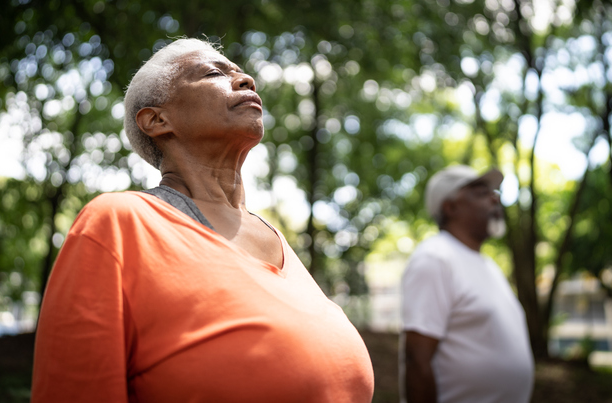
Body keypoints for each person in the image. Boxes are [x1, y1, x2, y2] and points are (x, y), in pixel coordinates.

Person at [31, 38, 374, 402]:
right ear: (156, 119)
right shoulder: (118, 223)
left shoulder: (274, 236)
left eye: (242, 74)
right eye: (214, 72)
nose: (246, 81)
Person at [400, 165, 534, 403]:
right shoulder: (435, 258)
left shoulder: (488, 265)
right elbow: (416, 359)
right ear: (450, 207)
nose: (495, 198)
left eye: (493, 193)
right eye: (481, 193)